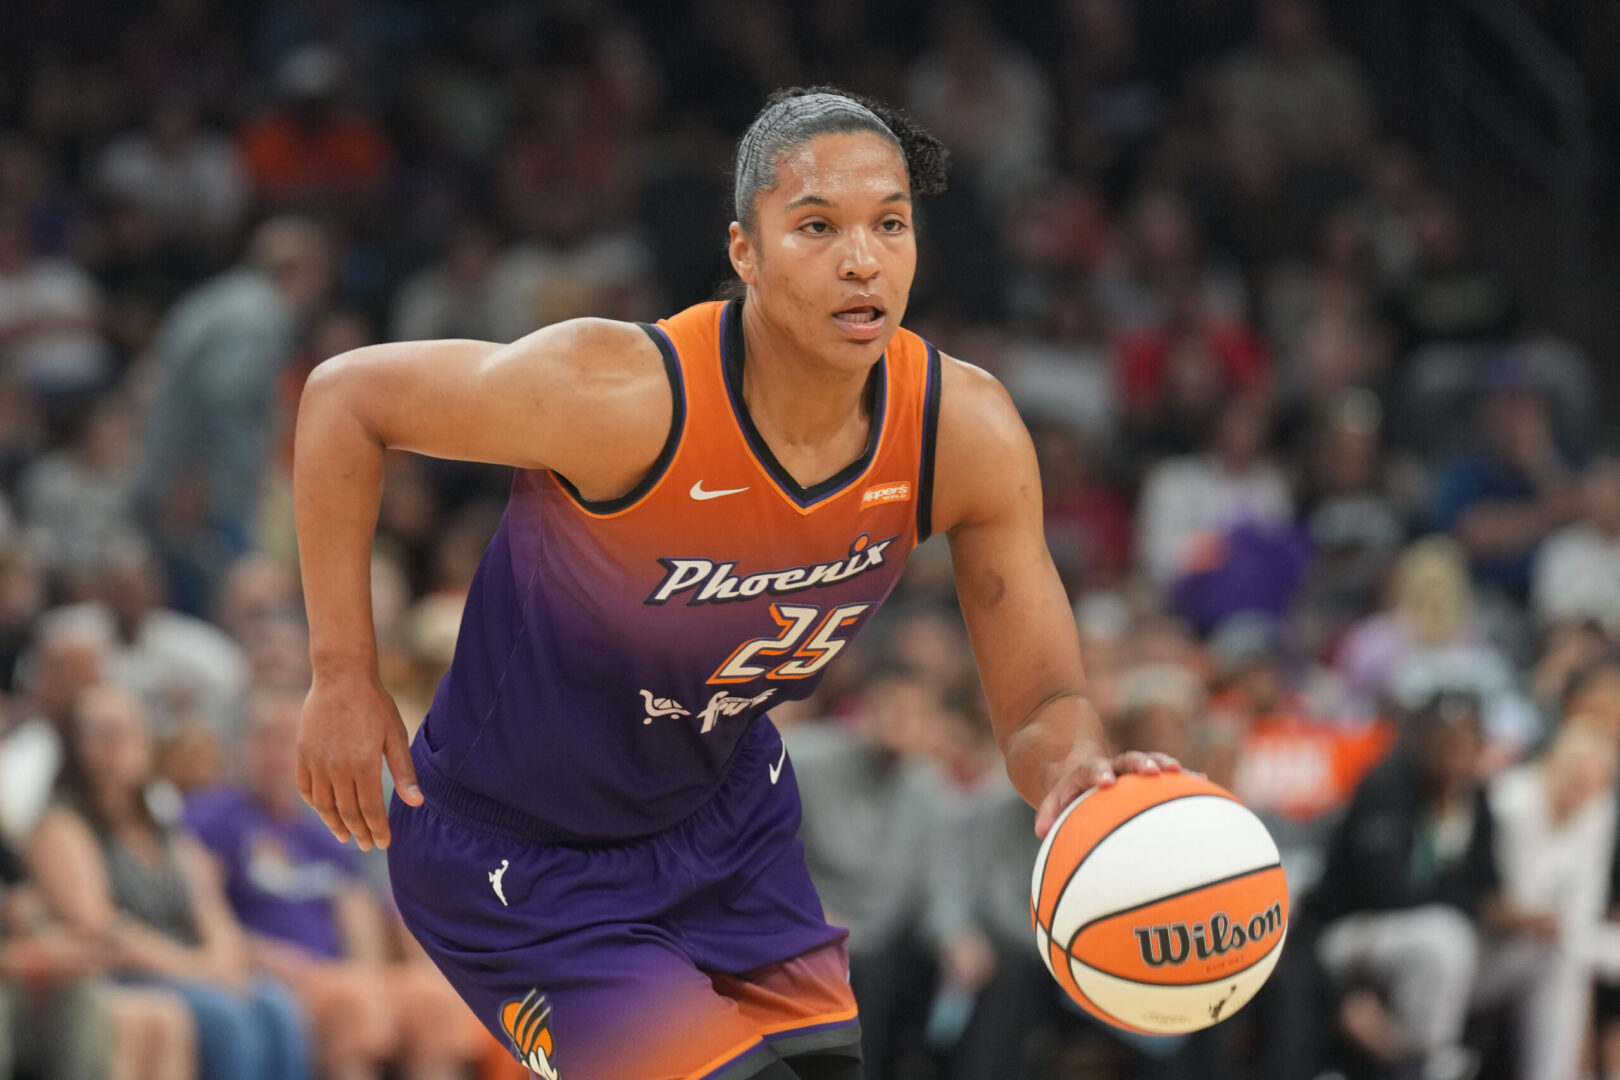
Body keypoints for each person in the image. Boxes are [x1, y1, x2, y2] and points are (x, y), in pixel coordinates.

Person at [294, 86, 1177, 1080]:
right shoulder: (620, 394)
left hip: (726, 830)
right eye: (817, 226)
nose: (862, 259)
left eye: (890, 223)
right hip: (521, 863)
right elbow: (345, 399)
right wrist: (342, 672)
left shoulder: (959, 431)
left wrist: (1071, 771)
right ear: (744, 253)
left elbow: (1043, 702)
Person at [26, 684, 310, 1080]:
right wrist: (196, 968)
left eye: (131, 727)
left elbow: (208, 906)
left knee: (275, 1005)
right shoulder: (62, 826)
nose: (122, 741)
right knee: (226, 1018)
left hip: (190, 968)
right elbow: (99, 927)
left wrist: (224, 961)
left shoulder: (166, 830)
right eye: (105, 731)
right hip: (124, 973)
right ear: (76, 746)